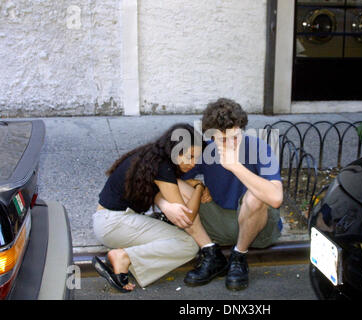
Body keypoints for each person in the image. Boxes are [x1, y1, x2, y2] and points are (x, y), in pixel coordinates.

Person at [155, 98, 284, 291]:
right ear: (211, 137)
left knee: (257, 194)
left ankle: (239, 256)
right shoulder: (205, 149)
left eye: (236, 136)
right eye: (223, 139)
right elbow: (161, 181)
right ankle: (211, 253)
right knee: (176, 186)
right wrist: (169, 203)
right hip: (219, 224)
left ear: (241, 128)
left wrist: (235, 166)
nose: (231, 143)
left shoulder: (258, 147)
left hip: (259, 229)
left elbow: (275, 198)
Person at [91, 123, 207, 292]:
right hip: (114, 224)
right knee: (188, 244)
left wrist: (167, 200)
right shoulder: (163, 168)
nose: (194, 164)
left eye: (197, 158)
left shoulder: (151, 156)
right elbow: (187, 218)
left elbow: (156, 191)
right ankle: (123, 257)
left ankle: (128, 255)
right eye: (190, 157)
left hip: (109, 220)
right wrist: (199, 188)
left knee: (172, 235)